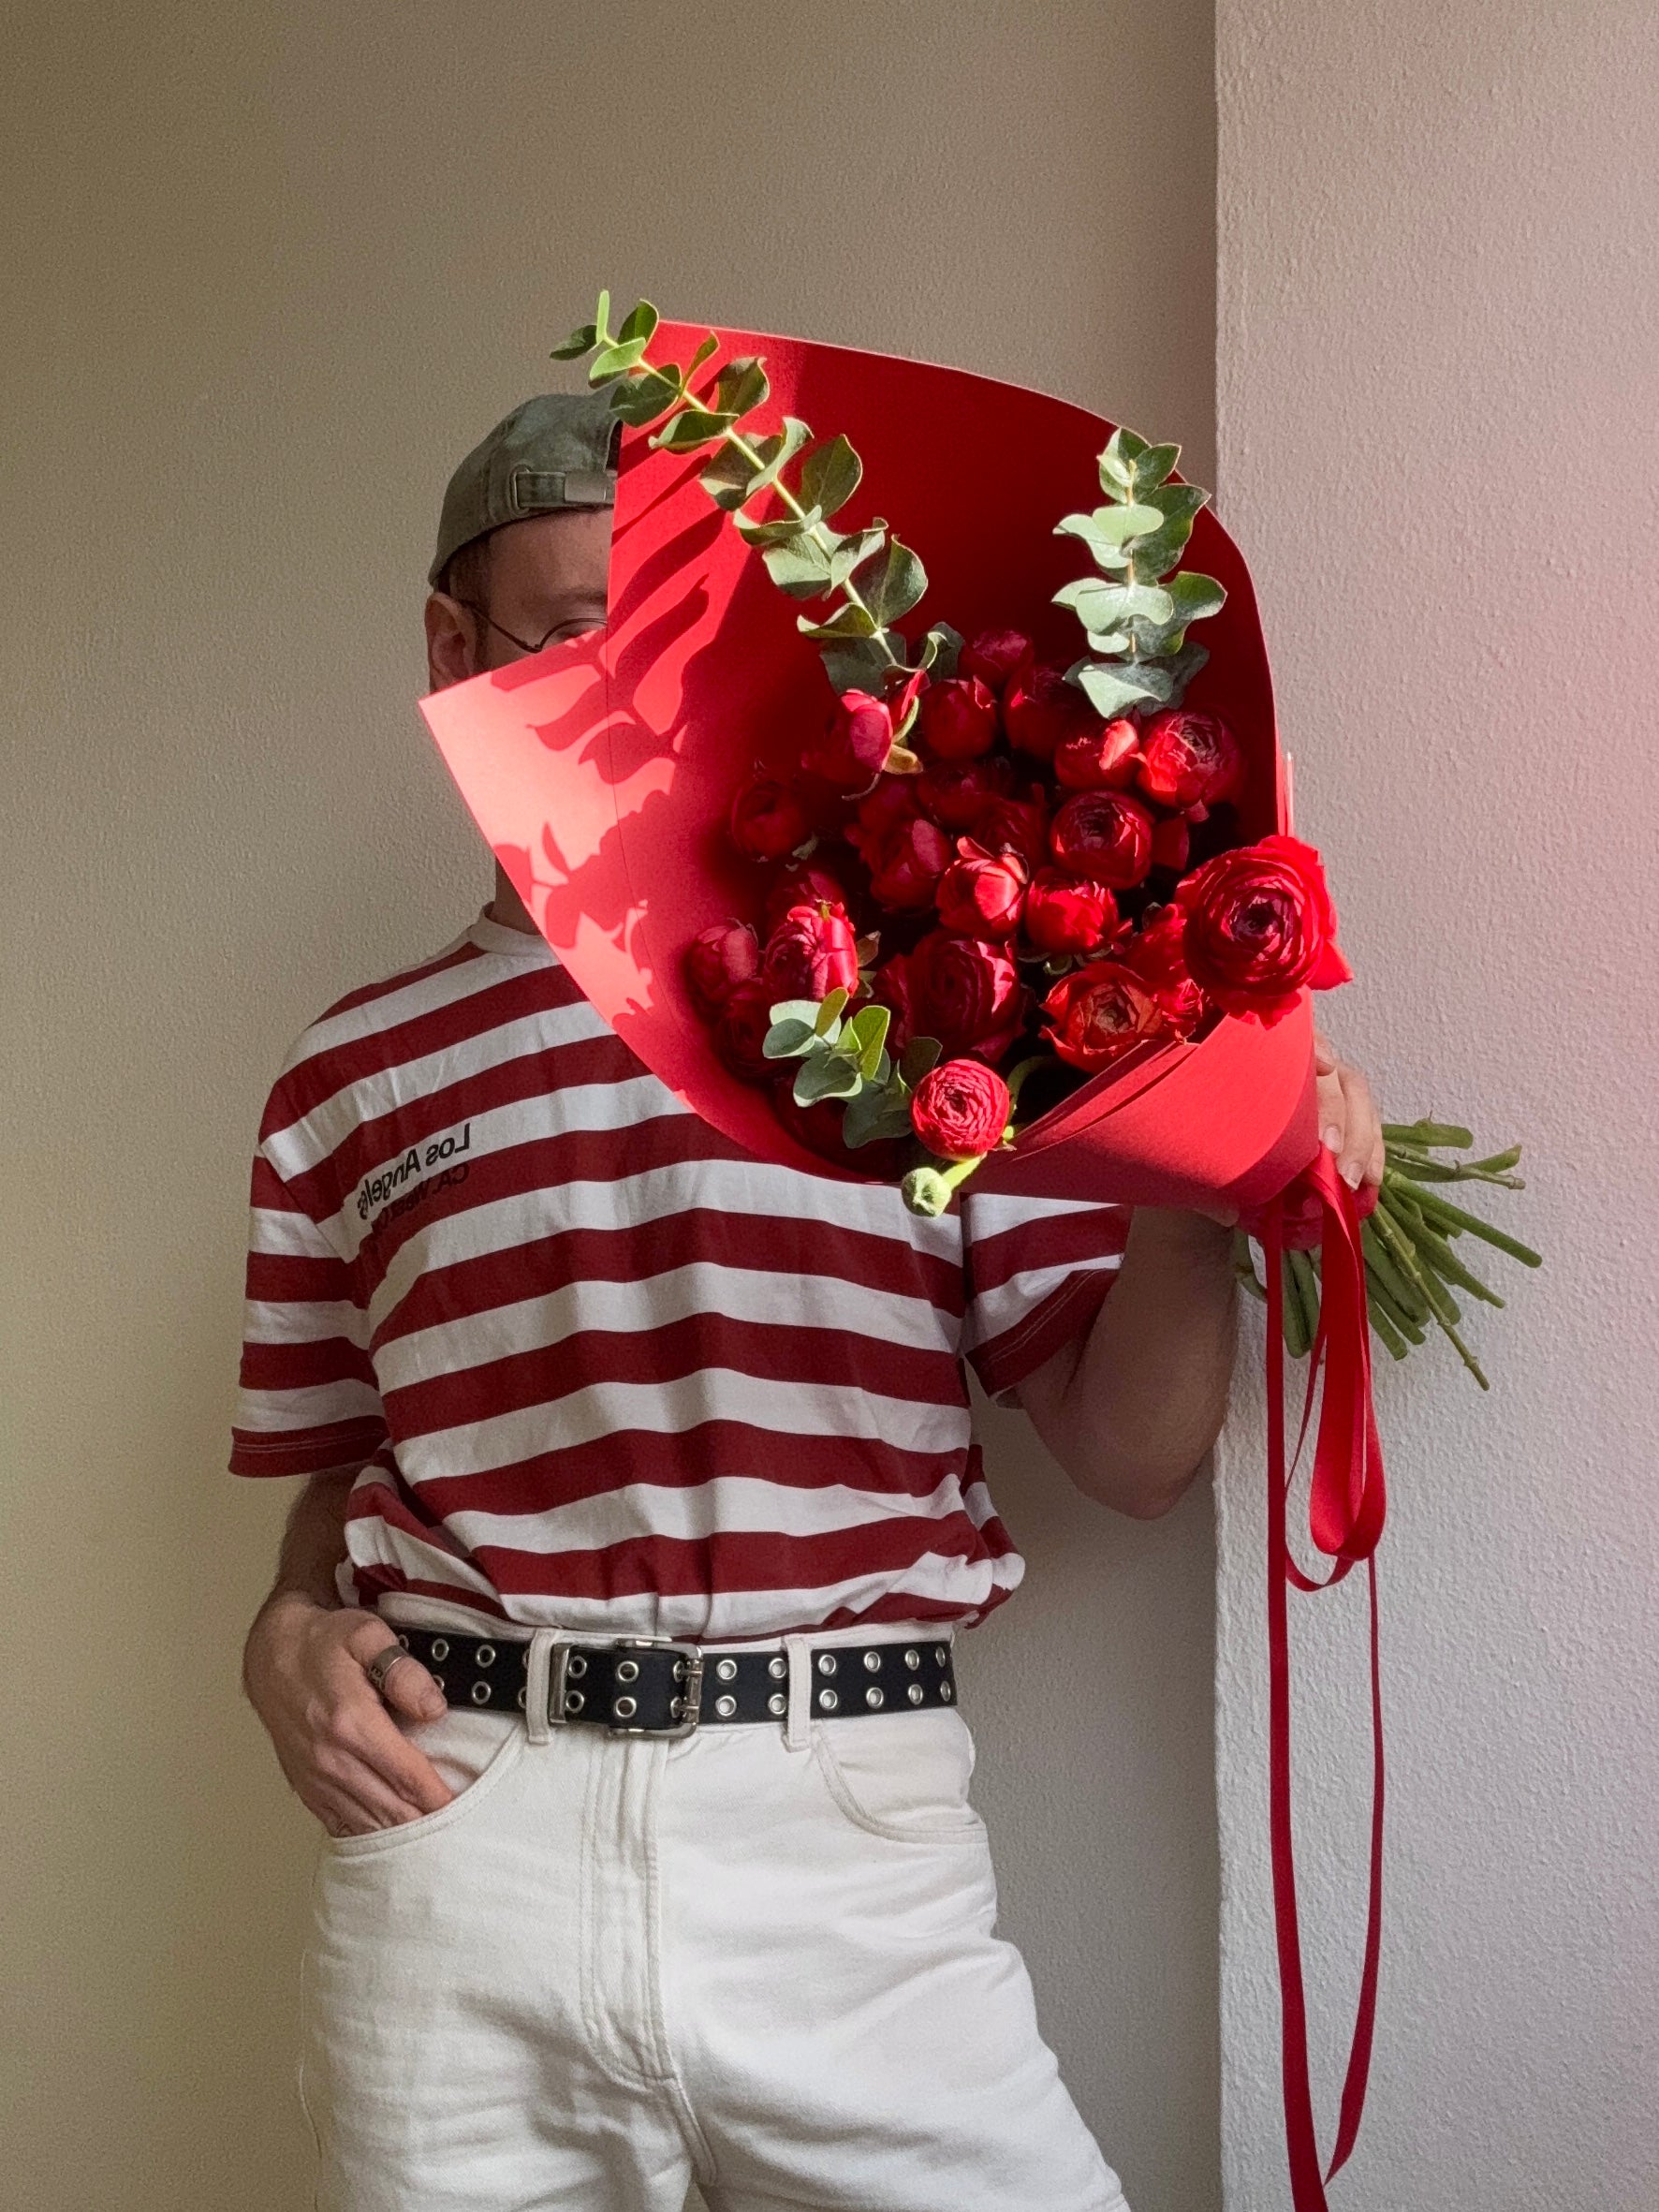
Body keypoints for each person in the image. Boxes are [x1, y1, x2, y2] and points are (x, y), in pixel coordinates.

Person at [234, 391, 1385, 2212]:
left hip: (846, 1839)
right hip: (461, 1834)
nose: (625, 697)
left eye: (669, 643)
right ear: (452, 652)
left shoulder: (918, 1008)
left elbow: (1134, 1452)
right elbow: (339, 1473)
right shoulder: (343, 1076)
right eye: (564, 636)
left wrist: (1205, 1179)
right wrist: (279, 1630)